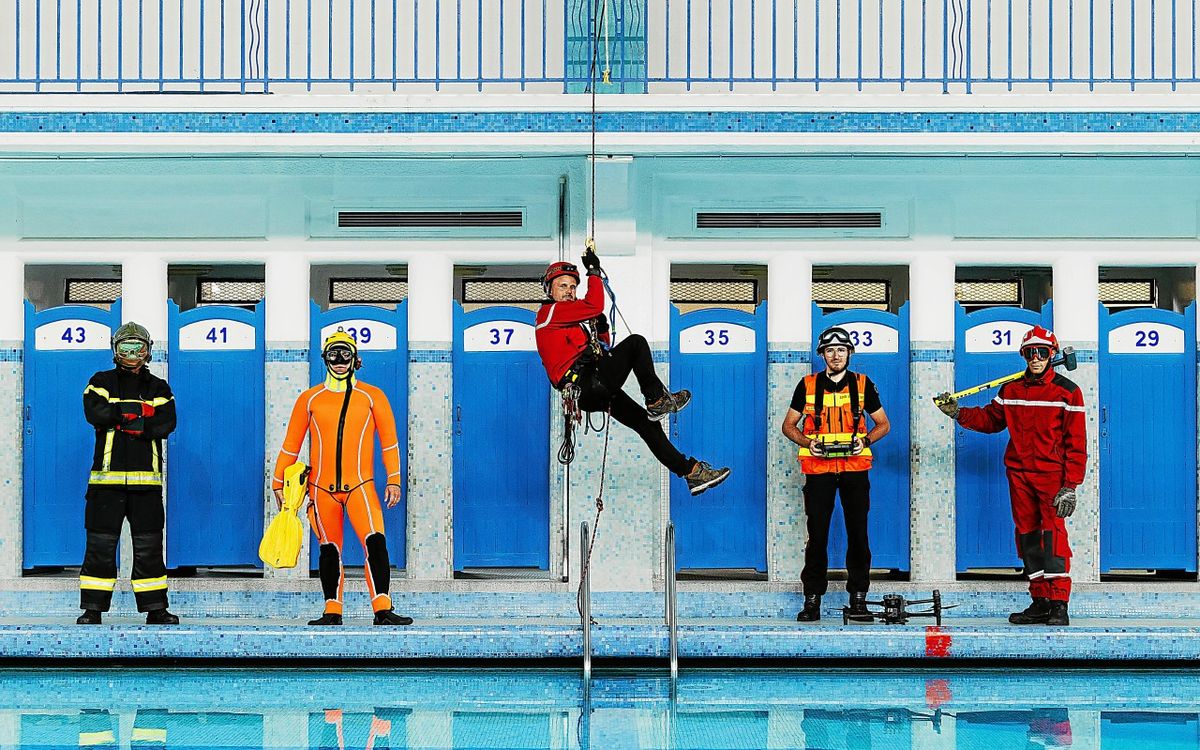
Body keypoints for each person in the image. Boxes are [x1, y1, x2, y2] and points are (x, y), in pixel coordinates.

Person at [535, 245, 731, 495]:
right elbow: (594, 304)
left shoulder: (570, 322)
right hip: (587, 384)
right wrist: (593, 272)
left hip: (595, 387)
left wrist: (602, 327)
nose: (570, 292)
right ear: (550, 290)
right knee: (636, 342)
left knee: (647, 425)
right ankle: (656, 399)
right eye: (563, 286)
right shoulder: (549, 313)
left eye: (573, 287)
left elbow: (604, 350)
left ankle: (691, 472)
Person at [936, 325, 1085, 626]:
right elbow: (991, 419)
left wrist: (1070, 485)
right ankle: (1040, 600)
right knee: (1027, 537)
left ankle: (1059, 603)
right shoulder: (1011, 390)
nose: (1036, 358)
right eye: (1030, 353)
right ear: (1024, 355)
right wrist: (958, 413)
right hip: (1018, 474)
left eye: (1042, 352)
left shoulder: (1068, 392)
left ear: (1052, 354)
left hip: (1051, 477)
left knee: (1053, 537)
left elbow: (1076, 443)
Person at [273, 329, 412, 626]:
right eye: (333, 354)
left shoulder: (372, 396)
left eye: (345, 354)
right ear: (325, 358)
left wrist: (394, 479)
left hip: (361, 486)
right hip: (321, 489)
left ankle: (382, 609)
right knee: (329, 549)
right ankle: (332, 611)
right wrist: (276, 483)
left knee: (375, 542)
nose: (339, 360)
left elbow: (390, 442)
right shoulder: (309, 399)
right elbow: (291, 445)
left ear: (355, 359)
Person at [781, 326, 890, 622]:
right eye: (830, 350)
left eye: (841, 350)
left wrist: (864, 441)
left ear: (849, 353)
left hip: (855, 470)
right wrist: (809, 443)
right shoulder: (807, 385)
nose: (836, 355)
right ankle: (812, 600)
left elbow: (883, 424)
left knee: (858, 534)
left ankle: (858, 598)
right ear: (822, 355)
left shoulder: (864, 385)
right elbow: (788, 426)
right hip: (818, 471)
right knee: (817, 536)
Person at [77, 322, 178, 625]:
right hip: (104, 486)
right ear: (115, 350)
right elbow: (95, 412)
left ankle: (156, 609)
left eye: (139, 348)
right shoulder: (100, 381)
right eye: (126, 348)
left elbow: (166, 423)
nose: (132, 354)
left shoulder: (159, 387)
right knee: (99, 548)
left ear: (148, 352)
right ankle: (92, 610)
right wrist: (140, 417)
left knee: (149, 550)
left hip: (146, 487)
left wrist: (123, 420)